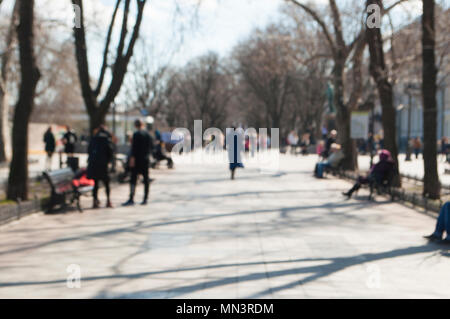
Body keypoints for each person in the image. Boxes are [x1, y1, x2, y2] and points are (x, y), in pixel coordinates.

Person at [123, 119, 153, 206]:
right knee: (146, 179)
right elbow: (151, 147)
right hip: (145, 159)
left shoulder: (136, 135)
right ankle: (145, 198)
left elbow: (134, 148)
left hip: (136, 160)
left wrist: (132, 159)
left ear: (136, 126)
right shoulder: (148, 135)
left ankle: (131, 198)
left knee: (133, 179)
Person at [87, 125, 114, 209]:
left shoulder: (93, 139)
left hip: (94, 164)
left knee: (95, 184)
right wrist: (109, 161)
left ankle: (95, 201)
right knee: (106, 184)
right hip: (103, 165)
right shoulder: (107, 140)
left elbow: (89, 151)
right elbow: (110, 153)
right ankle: (108, 201)